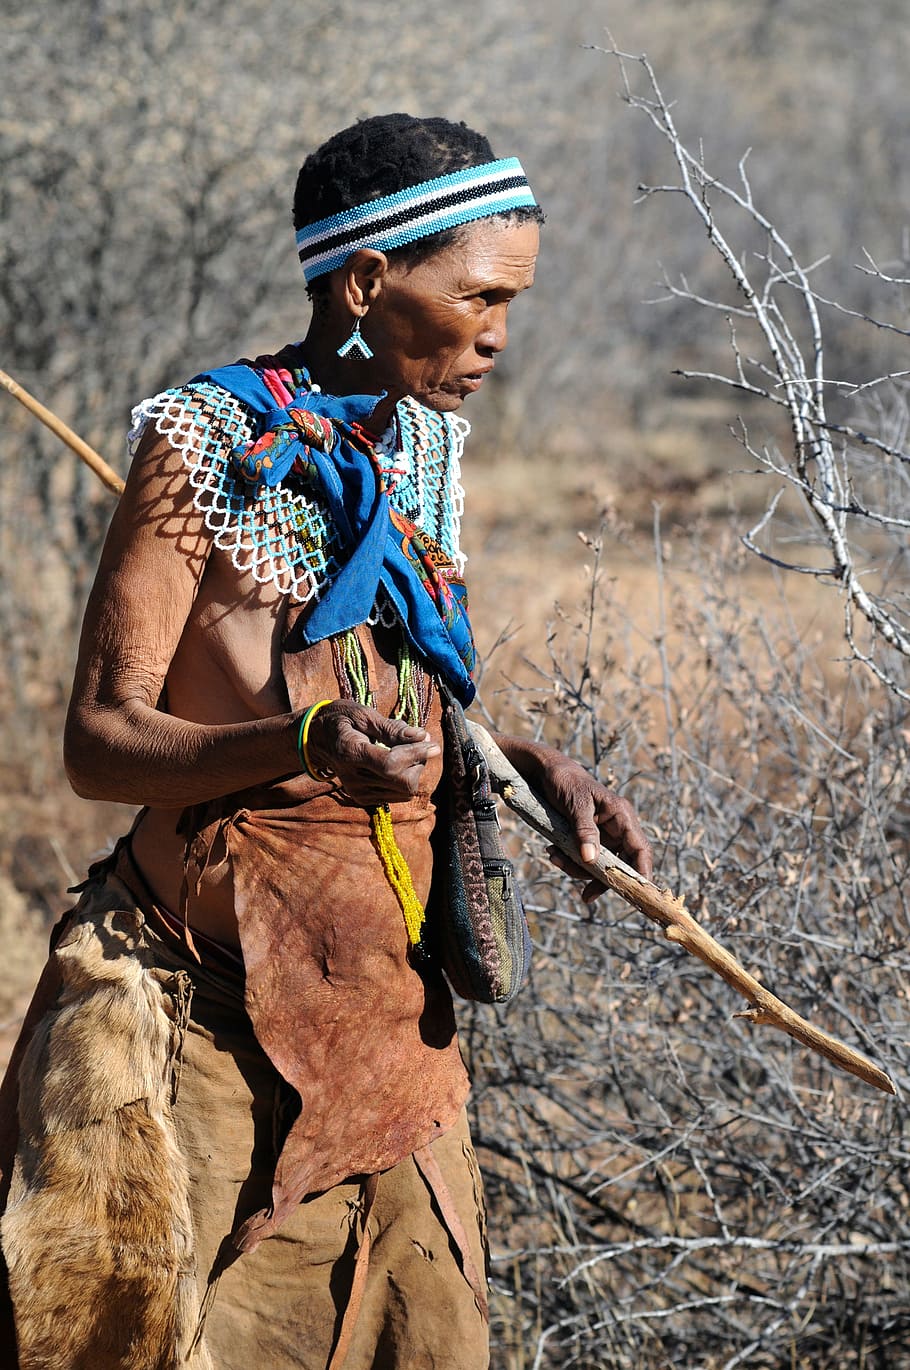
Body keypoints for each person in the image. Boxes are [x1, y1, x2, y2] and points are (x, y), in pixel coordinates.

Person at [0, 114, 651, 1369]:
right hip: (194, 1024)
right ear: (366, 285)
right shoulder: (203, 443)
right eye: (479, 298)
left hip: (383, 1018)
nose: (501, 334)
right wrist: (295, 738)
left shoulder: (421, 444)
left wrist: (523, 767)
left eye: (513, 301)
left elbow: (401, 699)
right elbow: (98, 740)